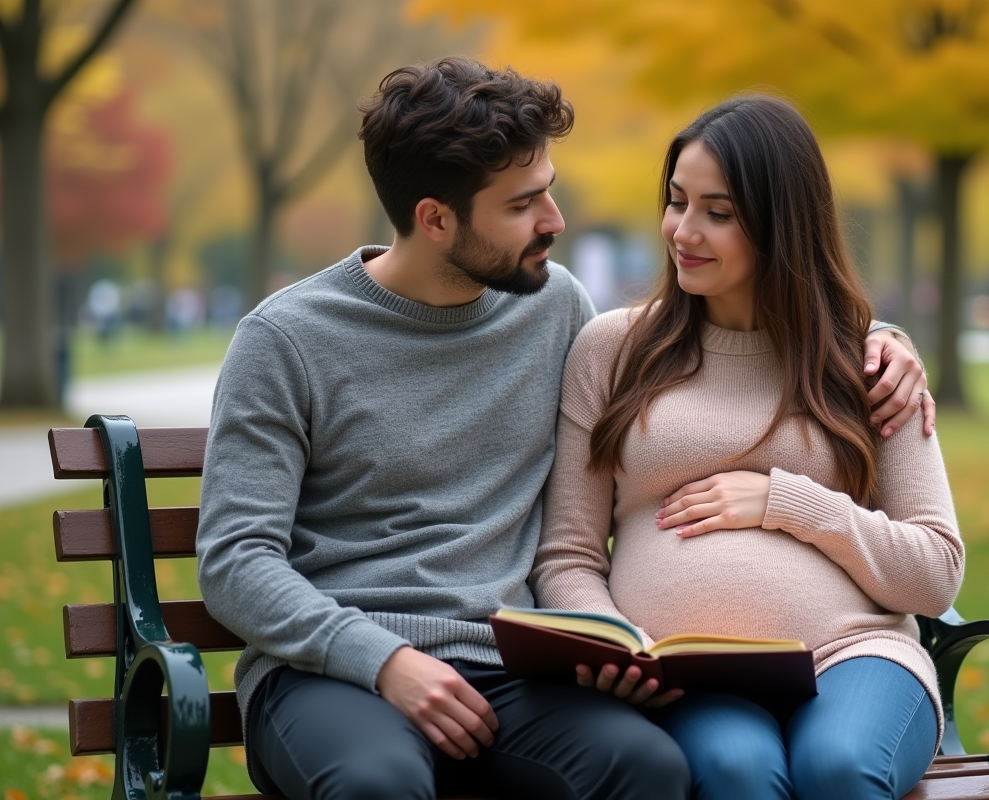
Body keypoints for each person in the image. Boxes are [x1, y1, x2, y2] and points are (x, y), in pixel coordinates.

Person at [196, 57, 932, 800]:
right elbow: (235, 561)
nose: (555, 222)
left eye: (548, 191)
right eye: (524, 205)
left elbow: (732, 349)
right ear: (435, 219)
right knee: (377, 785)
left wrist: (882, 342)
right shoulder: (286, 340)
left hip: (507, 672)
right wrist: (385, 661)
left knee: (649, 768)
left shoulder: (553, 310)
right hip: (336, 671)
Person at [532, 95, 962, 800]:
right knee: (737, 773)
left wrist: (786, 501)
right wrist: (612, 640)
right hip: (686, 675)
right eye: (676, 202)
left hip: (855, 656)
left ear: (782, 224)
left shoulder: (871, 364)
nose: (683, 231)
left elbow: (936, 572)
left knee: (840, 769)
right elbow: (569, 553)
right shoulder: (611, 351)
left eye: (718, 212)